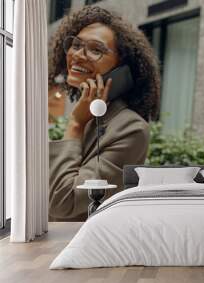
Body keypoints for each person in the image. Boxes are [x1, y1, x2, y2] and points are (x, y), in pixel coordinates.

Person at [48, 6, 160, 221]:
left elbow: (63, 203)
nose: (78, 55)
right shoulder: (90, 115)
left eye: (95, 49)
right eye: (76, 44)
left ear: (123, 69)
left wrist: (75, 126)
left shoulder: (130, 129)